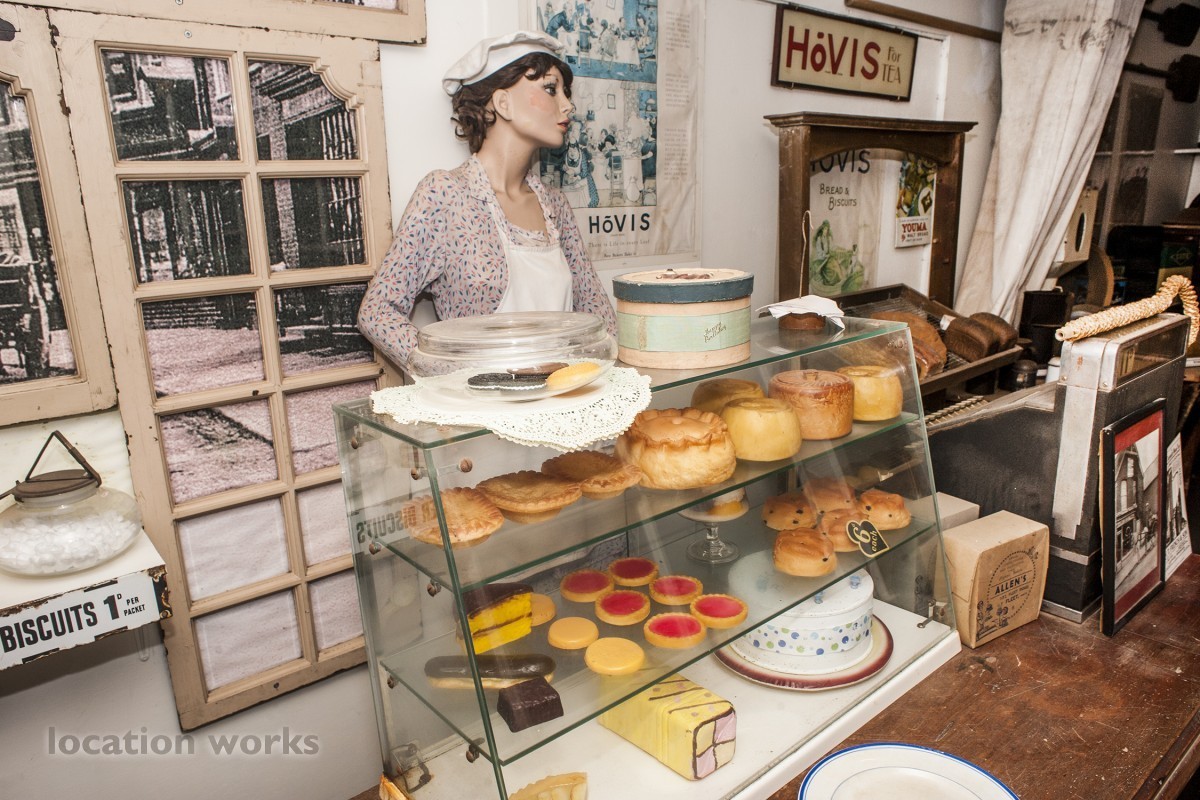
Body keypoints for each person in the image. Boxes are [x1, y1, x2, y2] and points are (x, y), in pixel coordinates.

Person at [357, 31, 617, 371]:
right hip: (485, 402)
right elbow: (377, 312)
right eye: (551, 89)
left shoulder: (554, 204)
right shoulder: (446, 194)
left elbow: (597, 312)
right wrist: (457, 376)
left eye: (565, 93)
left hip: (564, 395)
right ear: (502, 103)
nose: (568, 105)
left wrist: (602, 377)